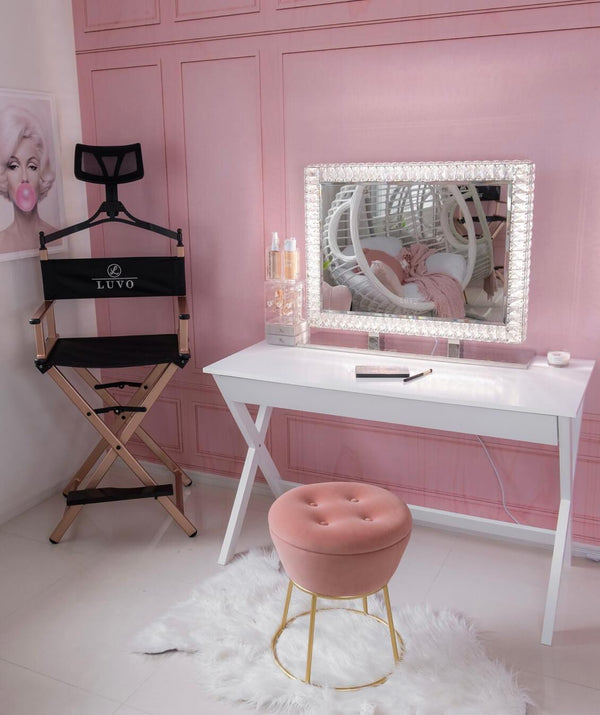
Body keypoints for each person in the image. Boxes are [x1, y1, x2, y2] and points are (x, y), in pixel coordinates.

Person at [0, 104, 56, 253]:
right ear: (3, 175)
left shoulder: (58, 237)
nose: (24, 178)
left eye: (32, 166)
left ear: (41, 174)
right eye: (14, 166)